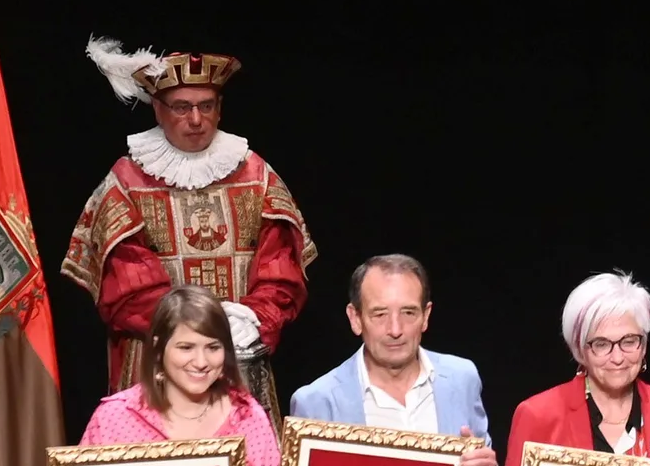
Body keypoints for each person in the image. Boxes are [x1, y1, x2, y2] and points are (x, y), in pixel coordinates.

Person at [63, 38, 318, 423]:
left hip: (239, 357)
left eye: (206, 106)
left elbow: (281, 271)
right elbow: (126, 287)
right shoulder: (126, 183)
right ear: (158, 111)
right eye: (182, 107)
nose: (196, 120)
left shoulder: (257, 176)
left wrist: (252, 319)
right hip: (156, 362)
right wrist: (197, 332)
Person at [288, 255, 495, 465]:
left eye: (408, 312)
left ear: (426, 316)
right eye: (380, 314)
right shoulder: (316, 402)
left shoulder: (462, 379)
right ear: (355, 319)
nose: (395, 330)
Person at [506, 271, 650, 466]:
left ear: (644, 346)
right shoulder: (537, 415)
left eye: (629, 341)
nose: (617, 358)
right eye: (601, 344)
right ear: (580, 350)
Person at [78, 285, 281, 466]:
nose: (201, 362)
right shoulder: (114, 419)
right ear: (158, 348)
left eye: (213, 347)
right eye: (186, 348)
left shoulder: (248, 417)